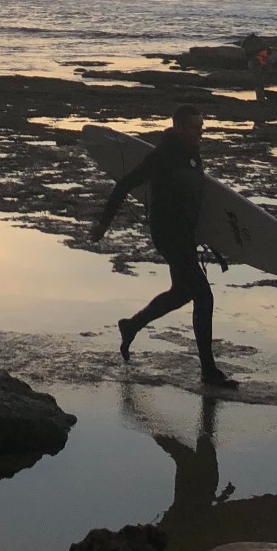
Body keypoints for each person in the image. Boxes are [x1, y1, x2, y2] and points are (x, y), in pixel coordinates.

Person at [89, 103, 238, 390]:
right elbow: (125, 184)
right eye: (196, 128)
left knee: (182, 292)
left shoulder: (192, 154)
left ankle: (131, 325)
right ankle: (208, 372)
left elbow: (197, 196)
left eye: (201, 126)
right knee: (203, 297)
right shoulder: (162, 156)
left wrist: (209, 233)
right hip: (168, 234)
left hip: (186, 234)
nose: (201, 132)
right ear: (179, 128)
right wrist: (103, 224)